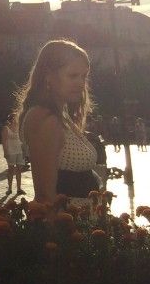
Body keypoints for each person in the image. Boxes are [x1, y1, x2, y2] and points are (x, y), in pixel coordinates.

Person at [15, 39, 98, 205]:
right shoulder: (45, 119)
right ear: (48, 76)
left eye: (84, 76)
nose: (81, 83)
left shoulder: (61, 115)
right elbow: (45, 195)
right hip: (68, 221)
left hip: (80, 219)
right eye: (73, 75)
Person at [0, 113, 25, 195]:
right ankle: (9, 188)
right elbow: (4, 141)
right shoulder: (6, 128)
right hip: (10, 151)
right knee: (10, 170)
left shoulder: (19, 127)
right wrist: (5, 152)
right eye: (16, 118)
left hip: (19, 151)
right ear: (12, 119)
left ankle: (19, 188)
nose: (17, 119)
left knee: (19, 170)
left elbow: (22, 139)